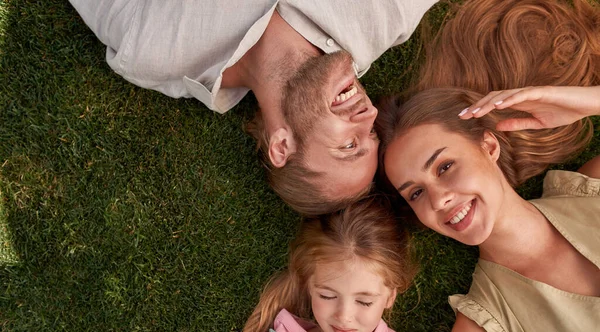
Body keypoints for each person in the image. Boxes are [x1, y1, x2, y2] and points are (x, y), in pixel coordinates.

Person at [67, 0, 439, 215]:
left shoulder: (152, 45)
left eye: (348, 146)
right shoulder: (380, 17)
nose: (369, 114)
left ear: (282, 145)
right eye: (371, 134)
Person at [378, 84, 600, 332]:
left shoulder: (594, 187)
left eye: (444, 167)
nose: (439, 200)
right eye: (416, 193)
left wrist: (591, 101)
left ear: (488, 145)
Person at [219, 197, 438, 332]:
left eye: (364, 301)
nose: (344, 316)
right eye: (327, 296)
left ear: (390, 297)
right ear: (309, 287)